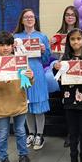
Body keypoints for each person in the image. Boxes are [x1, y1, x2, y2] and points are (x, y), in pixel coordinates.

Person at [0, 31, 33, 162]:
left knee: (21, 132)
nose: (5, 48)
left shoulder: (20, 62)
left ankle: (24, 156)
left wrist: (31, 76)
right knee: (3, 134)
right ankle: (3, 159)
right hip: (1, 106)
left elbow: (28, 84)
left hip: (19, 103)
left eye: (8, 45)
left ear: (12, 46)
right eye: (1, 45)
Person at [53, 28, 82, 162]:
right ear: (68, 42)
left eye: (79, 39)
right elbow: (59, 80)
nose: (76, 41)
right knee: (72, 133)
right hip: (69, 100)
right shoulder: (65, 58)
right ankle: (74, 161)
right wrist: (56, 68)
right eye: (72, 39)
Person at [14, 9, 51, 150]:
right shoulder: (16, 37)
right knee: (27, 105)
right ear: (22, 20)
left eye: (31, 17)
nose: (29, 19)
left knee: (38, 106)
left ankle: (40, 135)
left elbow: (46, 59)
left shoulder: (42, 36)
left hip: (37, 72)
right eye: (26, 17)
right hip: (21, 73)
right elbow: (12, 57)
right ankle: (30, 133)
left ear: (35, 19)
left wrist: (44, 51)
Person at [50, 5, 80, 148]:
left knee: (80, 104)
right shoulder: (58, 35)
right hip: (64, 74)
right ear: (64, 17)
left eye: (72, 15)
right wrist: (52, 48)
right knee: (67, 104)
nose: (70, 17)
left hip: (79, 73)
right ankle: (70, 134)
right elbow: (54, 57)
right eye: (67, 14)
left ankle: (79, 133)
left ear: (76, 18)